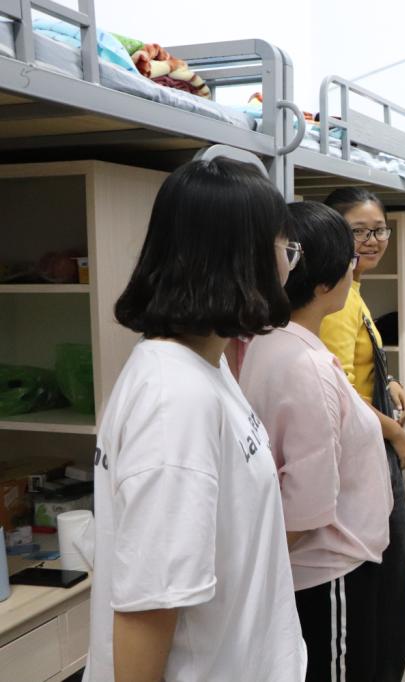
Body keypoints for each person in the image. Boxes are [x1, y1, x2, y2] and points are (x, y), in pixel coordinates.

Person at [85, 158, 306, 682]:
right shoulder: (174, 400)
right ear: (244, 258)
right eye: (285, 247)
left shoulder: (205, 365)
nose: (289, 264)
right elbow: (150, 606)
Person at [239, 202, 393, 682]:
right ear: (325, 282)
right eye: (350, 259)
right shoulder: (305, 365)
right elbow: (306, 507)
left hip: (319, 567)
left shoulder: (272, 341)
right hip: (328, 572)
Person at [318, 187, 405, 681]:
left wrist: (388, 379)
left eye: (379, 230)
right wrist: (395, 435)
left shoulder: (352, 288)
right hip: (360, 451)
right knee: (385, 583)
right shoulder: (337, 300)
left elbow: (356, 368)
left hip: (368, 440)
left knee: (391, 579)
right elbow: (337, 390)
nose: (373, 240)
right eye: (359, 231)